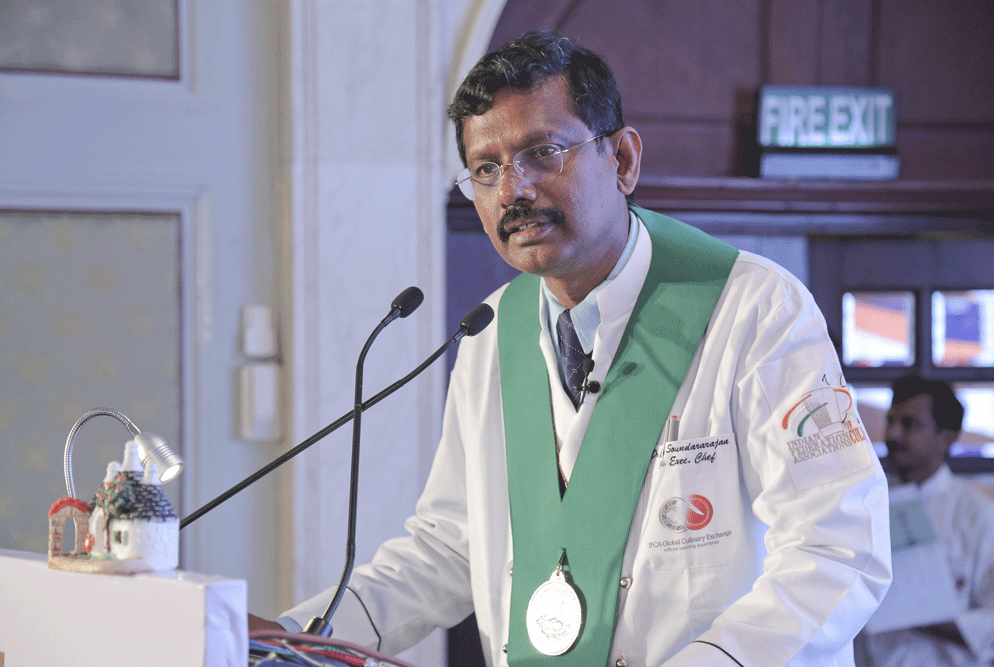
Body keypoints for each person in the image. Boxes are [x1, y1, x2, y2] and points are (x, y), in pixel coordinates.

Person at [251, 30, 891, 666]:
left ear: (623, 160)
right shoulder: (490, 331)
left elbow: (838, 548)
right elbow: (450, 547)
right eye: (486, 169)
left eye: (543, 152)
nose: (512, 190)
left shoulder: (754, 307)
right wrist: (289, 642)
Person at [863, 376, 994, 667]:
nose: (893, 434)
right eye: (890, 421)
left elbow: (990, 625)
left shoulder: (979, 516)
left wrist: (911, 611)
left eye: (909, 424)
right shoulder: (866, 505)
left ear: (946, 438)